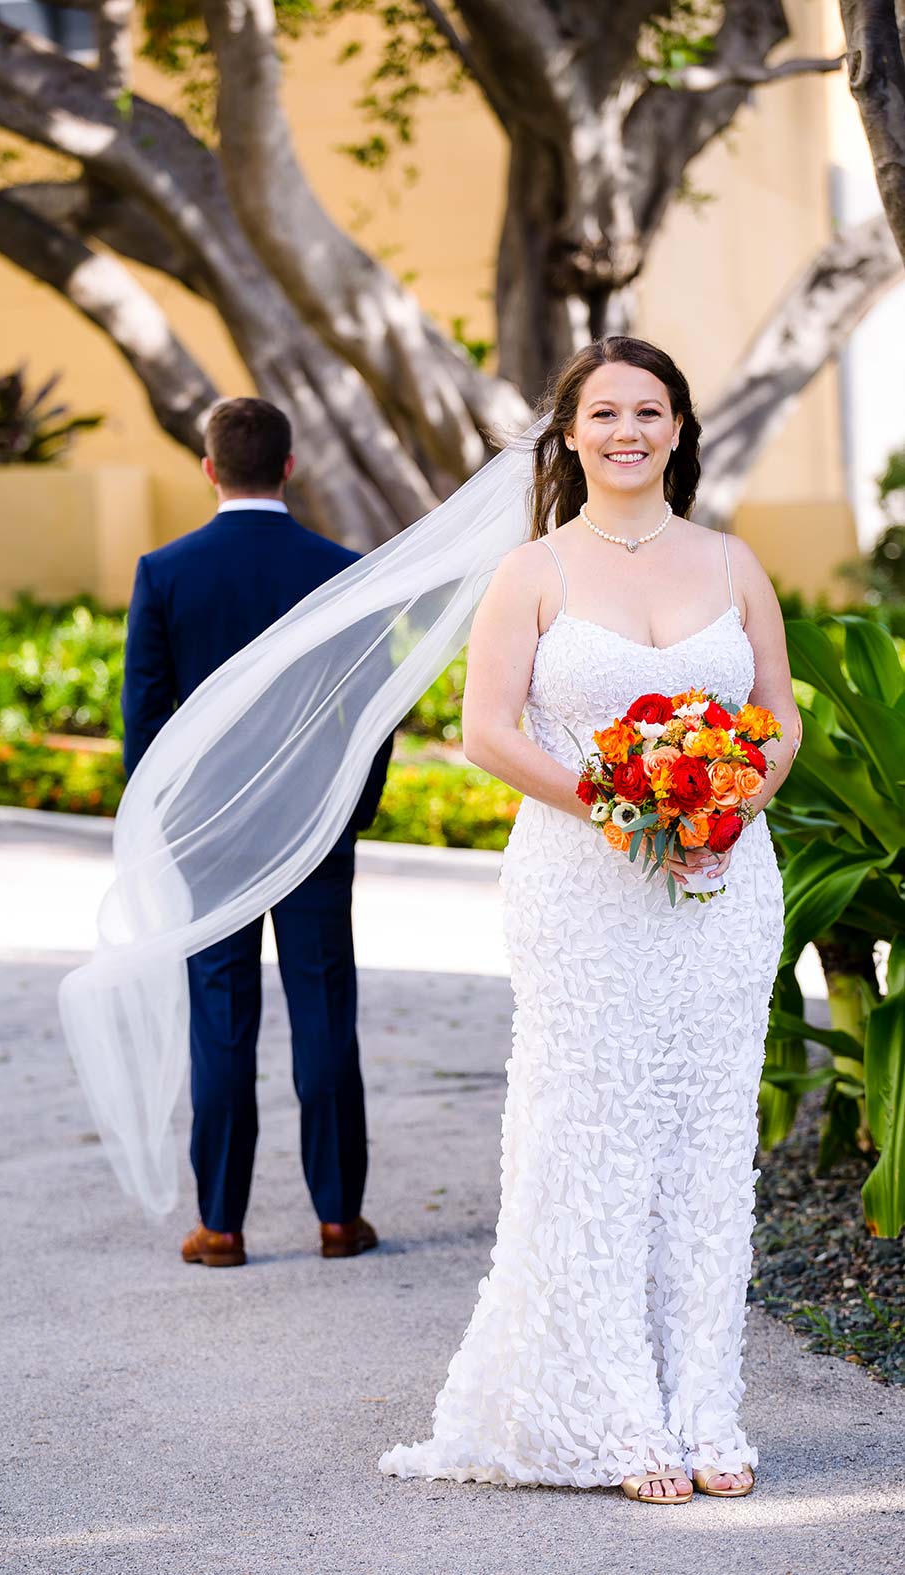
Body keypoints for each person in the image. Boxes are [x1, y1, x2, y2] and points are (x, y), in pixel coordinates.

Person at [378, 337, 801, 1503]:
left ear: (678, 430)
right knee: (597, 1140)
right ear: (570, 434)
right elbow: (490, 730)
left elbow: (776, 713)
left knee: (709, 1145)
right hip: (583, 887)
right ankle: (621, 1417)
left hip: (721, 889)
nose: (627, 430)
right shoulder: (534, 574)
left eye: (649, 410)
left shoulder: (731, 564)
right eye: (604, 411)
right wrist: (622, 808)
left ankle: (708, 1407)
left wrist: (727, 803)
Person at [121, 397, 390, 1268]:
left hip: (209, 837)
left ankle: (223, 1226)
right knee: (323, 1012)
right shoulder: (340, 571)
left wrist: (166, 826)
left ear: (209, 468)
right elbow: (374, 711)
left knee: (222, 1020)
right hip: (315, 830)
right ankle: (340, 1219)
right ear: (289, 466)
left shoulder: (164, 571)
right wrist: (351, 808)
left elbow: (146, 723)